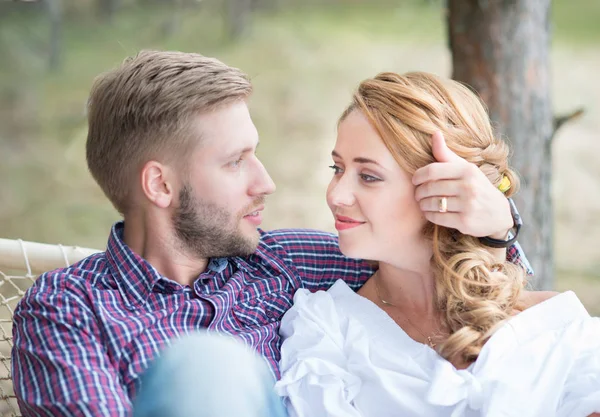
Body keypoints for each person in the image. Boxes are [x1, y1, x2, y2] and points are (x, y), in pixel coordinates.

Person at [12, 51, 529, 417]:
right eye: (237, 162)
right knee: (205, 364)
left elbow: (441, 269)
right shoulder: (68, 309)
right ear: (160, 184)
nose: (267, 182)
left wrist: (496, 224)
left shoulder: (287, 262)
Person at [274, 71, 600, 417]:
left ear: (447, 186)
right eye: (336, 167)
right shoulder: (325, 331)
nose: (336, 195)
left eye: (368, 176)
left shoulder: (552, 328)